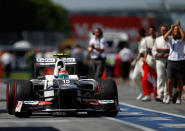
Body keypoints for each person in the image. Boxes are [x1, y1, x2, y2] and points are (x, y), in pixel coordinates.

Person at [164, 20, 185, 104]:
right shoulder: (170, 39)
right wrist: (170, 29)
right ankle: (169, 95)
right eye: (175, 30)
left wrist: (179, 27)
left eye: (177, 30)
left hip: (180, 61)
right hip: (171, 61)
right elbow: (164, 37)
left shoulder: (182, 39)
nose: (176, 31)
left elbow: (184, 37)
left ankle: (179, 97)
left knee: (180, 80)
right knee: (170, 80)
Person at [152, 24, 169, 102]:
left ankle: (166, 95)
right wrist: (158, 54)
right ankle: (160, 94)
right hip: (159, 60)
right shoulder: (157, 39)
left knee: (168, 78)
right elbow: (154, 50)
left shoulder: (171, 39)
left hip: (169, 60)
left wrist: (168, 54)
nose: (163, 31)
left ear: (167, 30)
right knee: (160, 77)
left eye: (165, 30)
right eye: (162, 30)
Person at [131, 28, 147, 100]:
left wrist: (135, 60)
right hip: (139, 61)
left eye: (138, 33)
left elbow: (141, 53)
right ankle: (142, 92)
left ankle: (147, 93)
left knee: (145, 78)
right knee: (134, 77)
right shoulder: (140, 41)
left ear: (140, 34)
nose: (137, 35)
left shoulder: (144, 41)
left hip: (143, 61)